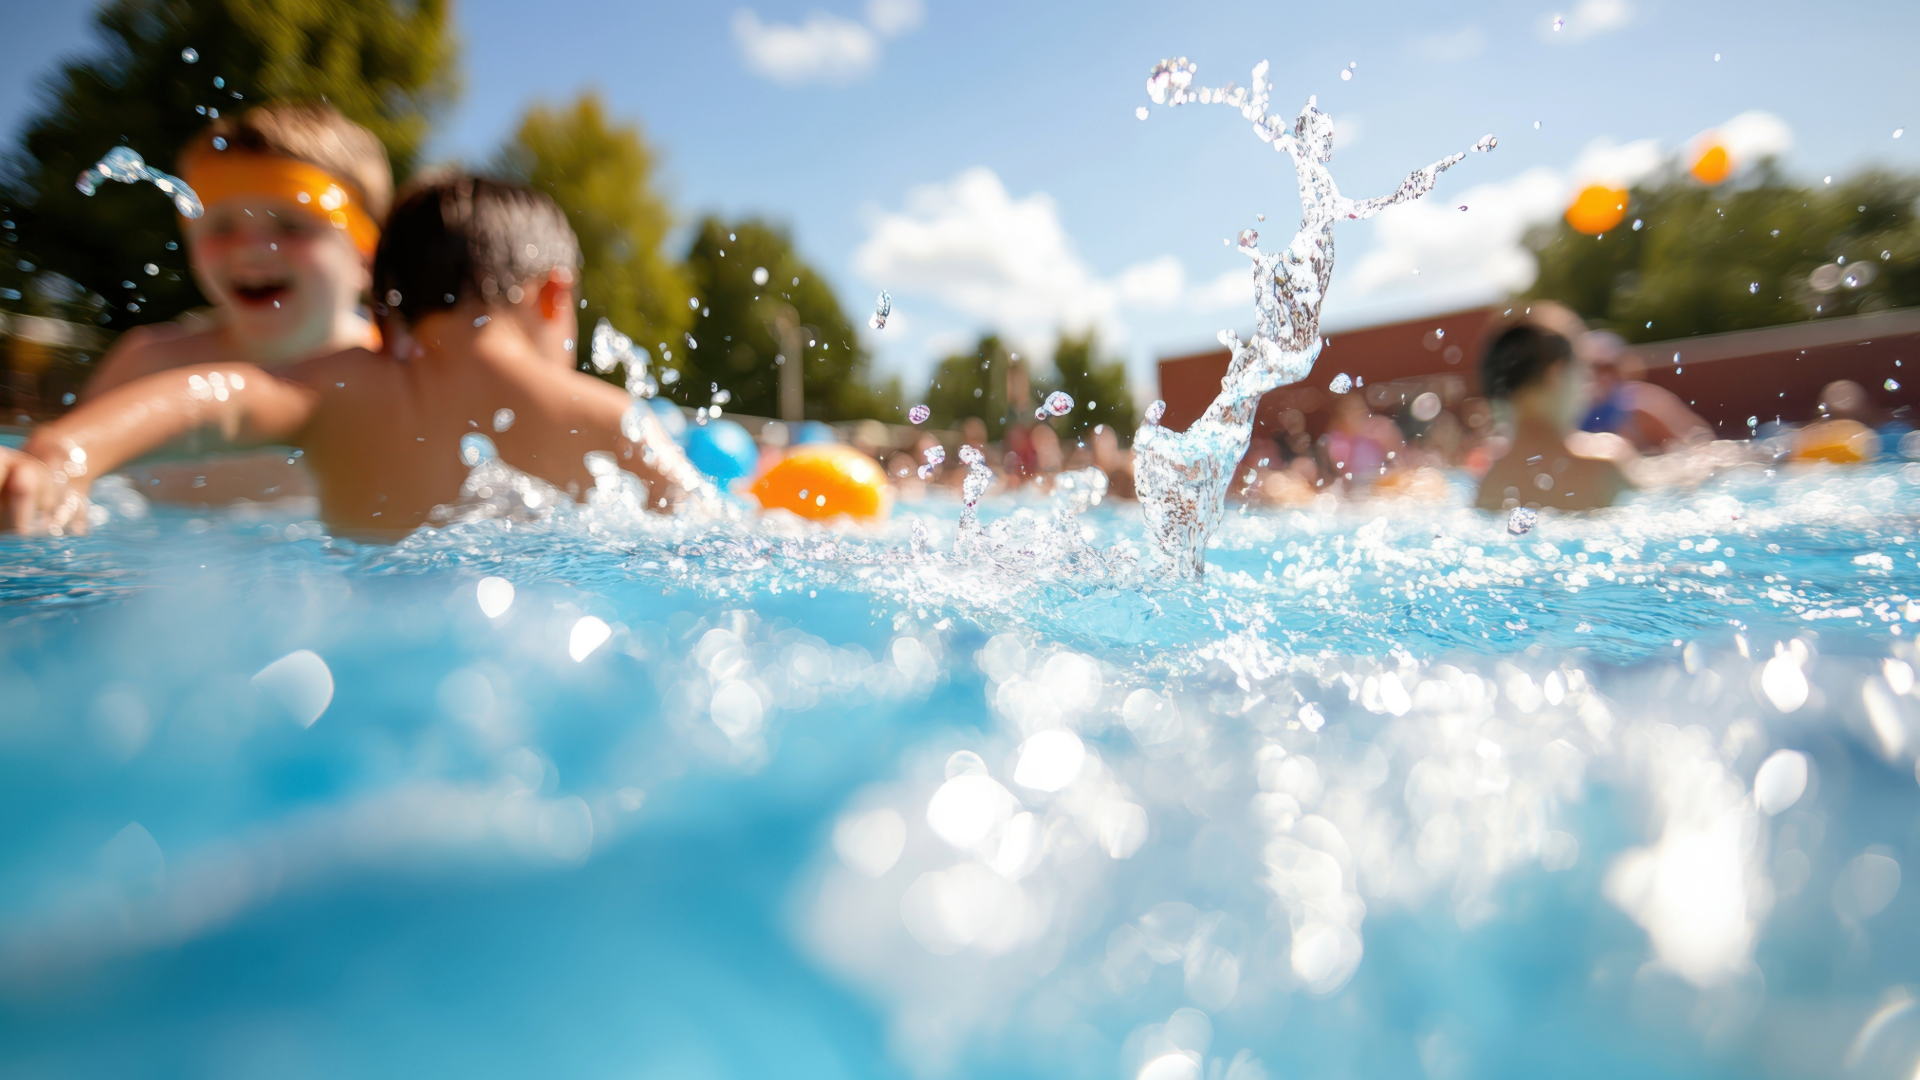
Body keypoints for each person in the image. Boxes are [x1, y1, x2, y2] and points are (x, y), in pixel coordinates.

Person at [0, 176, 697, 537]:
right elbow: (700, 531)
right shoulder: (609, 418)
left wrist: (64, 454)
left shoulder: (348, 387)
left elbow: (221, 399)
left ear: (389, 307)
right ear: (554, 295)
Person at [85, 101, 394, 505]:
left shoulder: (401, 381)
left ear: (365, 256)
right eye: (221, 226)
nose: (251, 248)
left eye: (291, 225)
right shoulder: (148, 365)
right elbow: (52, 479)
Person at [1473, 305, 1634, 512]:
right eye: (1582, 368)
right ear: (1556, 373)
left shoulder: (1487, 484)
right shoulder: (1604, 465)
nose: (1587, 382)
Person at [1579, 331, 1713, 452]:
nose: (1604, 376)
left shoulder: (1641, 404)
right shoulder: (1583, 409)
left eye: (1608, 369)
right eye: (1598, 370)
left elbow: (1694, 441)